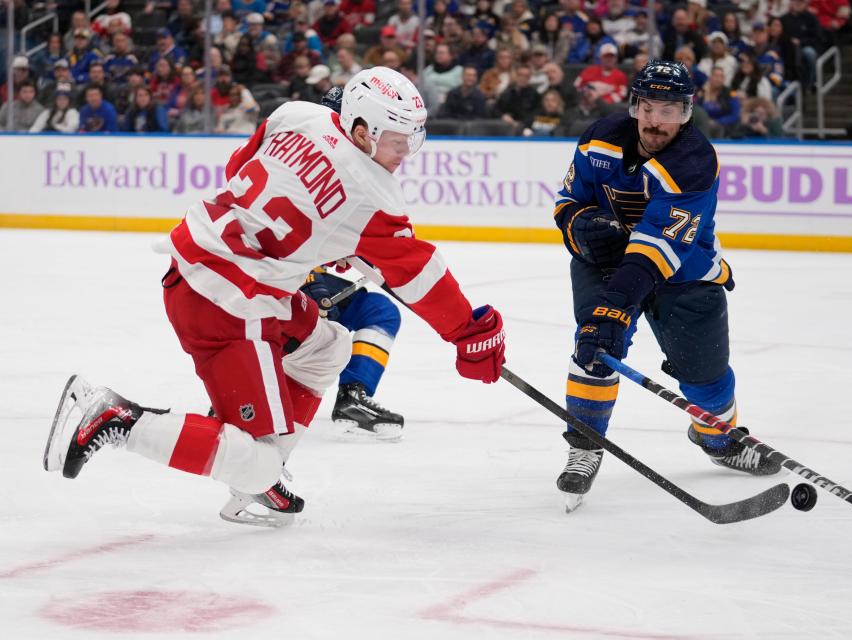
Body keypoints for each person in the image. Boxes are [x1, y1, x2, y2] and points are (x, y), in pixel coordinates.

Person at [43, 67, 507, 528]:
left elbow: (239, 171)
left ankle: (255, 476)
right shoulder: (375, 195)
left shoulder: (296, 115)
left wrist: (326, 238)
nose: (406, 151)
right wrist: (471, 333)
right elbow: (420, 275)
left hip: (212, 266)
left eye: (412, 138)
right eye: (397, 140)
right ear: (362, 130)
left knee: (329, 346)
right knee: (258, 456)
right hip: (229, 302)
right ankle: (119, 418)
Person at [551, 60, 779, 509]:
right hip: (606, 263)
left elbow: (658, 249)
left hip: (684, 270)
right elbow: (567, 202)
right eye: (648, 107)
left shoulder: (694, 162)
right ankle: (584, 444)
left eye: (670, 111)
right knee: (595, 343)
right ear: (634, 106)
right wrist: (581, 225)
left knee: (706, 376)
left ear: (687, 113)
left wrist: (617, 304)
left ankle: (718, 438)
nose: (657, 120)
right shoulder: (599, 139)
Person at [301, 267, 405, 440]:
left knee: (378, 310)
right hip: (276, 285)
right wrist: (309, 281)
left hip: (310, 279)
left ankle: (352, 396)